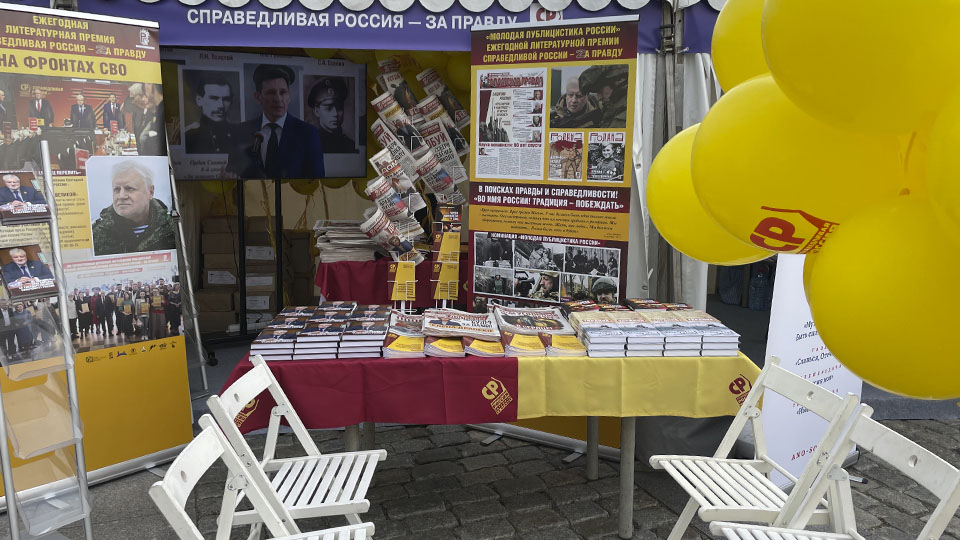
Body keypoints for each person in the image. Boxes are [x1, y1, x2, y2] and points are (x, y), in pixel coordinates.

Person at [227, 65, 325, 179]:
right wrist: (228, 180)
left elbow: (316, 182)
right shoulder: (241, 132)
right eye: (271, 93)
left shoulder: (307, 134)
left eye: (283, 92)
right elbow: (233, 174)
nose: (278, 99)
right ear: (258, 97)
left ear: (289, 96)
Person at [91, 160, 176, 255]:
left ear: (150, 192)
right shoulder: (95, 234)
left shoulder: (172, 227)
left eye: (129, 188)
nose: (121, 196)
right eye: (117, 189)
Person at [184, 74, 236, 154]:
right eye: (214, 98)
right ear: (199, 100)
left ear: (231, 101)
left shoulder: (238, 134)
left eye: (226, 99)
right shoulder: (188, 136)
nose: (221, 105)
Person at [307, 77, 355, 153]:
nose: (335, 113)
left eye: (339, 107)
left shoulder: (351, 145)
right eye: (328, 108)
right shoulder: (310, 144)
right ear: (317, 111)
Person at [579, 64, 629, 128]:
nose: (599, 98)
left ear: (619, 81)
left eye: (600, 91)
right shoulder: (610, 109)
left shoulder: (628, 111)